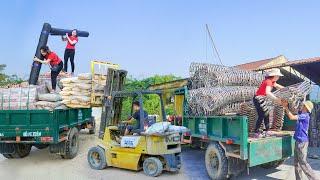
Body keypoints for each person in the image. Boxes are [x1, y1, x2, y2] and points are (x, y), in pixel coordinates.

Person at [282, 100, 318, 180]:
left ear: (306, 107)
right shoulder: (301, 114)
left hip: (302, 143)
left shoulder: (305, 115)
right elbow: (293, 111)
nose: (301, 106)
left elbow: (291, 117)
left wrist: (285, 107)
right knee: (296, 163)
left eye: (303, 105)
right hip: (298, 141)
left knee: (303, 163)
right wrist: (288, 105)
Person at [253, 68, 285, 138]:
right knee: (261, 115)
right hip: (258, 99)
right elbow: (267, 92)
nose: (279, 77)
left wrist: (287, 89)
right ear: (275, 76)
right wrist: (277, 99)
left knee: (266, 114)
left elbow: (278, 86)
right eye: (278, 76)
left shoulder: (272, 82)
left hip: (263, 99)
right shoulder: (268, 82)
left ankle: (267, 131)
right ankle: (256, 132)